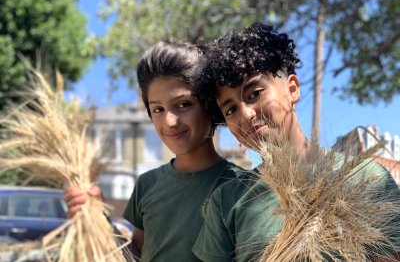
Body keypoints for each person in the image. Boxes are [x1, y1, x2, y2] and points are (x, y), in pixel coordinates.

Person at [192, 23, 400, 262]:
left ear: (292, 89)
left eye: (254, 93)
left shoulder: (367, 177)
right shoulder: (227, 202)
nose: (246, 114)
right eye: (230, 109)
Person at [65, 42, 244, 261]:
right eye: (158, 109)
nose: (169, 121)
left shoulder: (241, 186)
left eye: (183, 104)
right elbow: (136, 255)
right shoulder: (147, 184)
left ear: (210, 106)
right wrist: (98, 219)